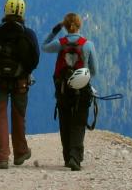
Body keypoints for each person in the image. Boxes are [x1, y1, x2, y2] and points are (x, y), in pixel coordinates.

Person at [0, 0, 39, 169]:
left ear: (6, 10)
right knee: (18, 116)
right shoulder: (28, 34)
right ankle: (20, 152)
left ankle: (2, 157)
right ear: (22, 12)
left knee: (0, 116)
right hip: (20, 82)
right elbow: (34, 60)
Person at [42, 12, 98, 171]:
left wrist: (55, 30)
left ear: (65, 26)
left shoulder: (60, 43)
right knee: (79, 123)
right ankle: (75, 157)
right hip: (82, 90)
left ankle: (67, 157)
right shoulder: (88, 44)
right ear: (79, 25)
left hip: (63, 89)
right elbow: (94, 70)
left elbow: (44, 46)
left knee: (65, 122)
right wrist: (85, 79)